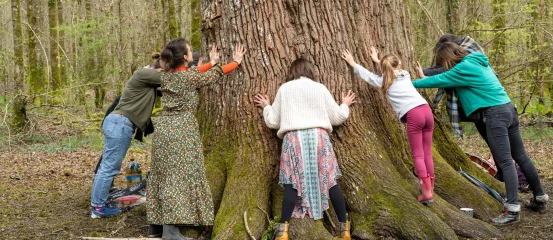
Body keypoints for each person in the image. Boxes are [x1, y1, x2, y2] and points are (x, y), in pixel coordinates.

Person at [412, 42, 549, 224]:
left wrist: (411, 82)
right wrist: (424, 75)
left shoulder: (463, 68)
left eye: (442, 63)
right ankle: (540, 196)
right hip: (509, 110)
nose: (443, 67)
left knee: (505, 161)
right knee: (521, 157)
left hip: (495, 114)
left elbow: (440, 80)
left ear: (447, 58)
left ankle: (512, 209)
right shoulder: (476, 61)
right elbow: (444, 76)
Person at [146, 39, 245, 240]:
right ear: (184, 57)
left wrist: (213, 61)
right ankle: (170, 232)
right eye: (190, 50)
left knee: (164, 174)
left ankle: (155, 226)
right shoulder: (186, 78)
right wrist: (235, 62)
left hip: (165, 129)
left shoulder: (168, 76)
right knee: (177, 177)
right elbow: (212, 76)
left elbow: (197, 73)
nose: (192, 52)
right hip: (180, 131)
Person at [254, 57, 356, 240]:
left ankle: (282, 233)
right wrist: (345, 105)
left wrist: (266, 106)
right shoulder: (320, 88)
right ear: (310, 72)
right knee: (330, 182)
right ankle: (345, 231)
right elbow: (338, 116)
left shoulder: (285, 89)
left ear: (292, 72)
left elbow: (272, 121)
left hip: (294, 139)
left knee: (292, 186)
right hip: (319, 138)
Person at [341, 48, 435, 204]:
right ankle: (430, 186)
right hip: (426, 110)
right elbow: (391, 69)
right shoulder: (405, 74)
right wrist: (378, 60)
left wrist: (353, 63)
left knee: (418, 155)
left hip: (414, 115)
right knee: (427, 153)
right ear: (398, 64)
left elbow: (368, 76)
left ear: (384, 69)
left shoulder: (384, 81)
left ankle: (426, 192)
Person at [91, 54, 163, 219]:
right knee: (109, 168)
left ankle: (98, 204)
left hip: (119, 123)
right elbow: (173, 78)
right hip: (120, 123)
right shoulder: (144, 73)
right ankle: (98, 208)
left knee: (107, 167)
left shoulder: (148, 81)